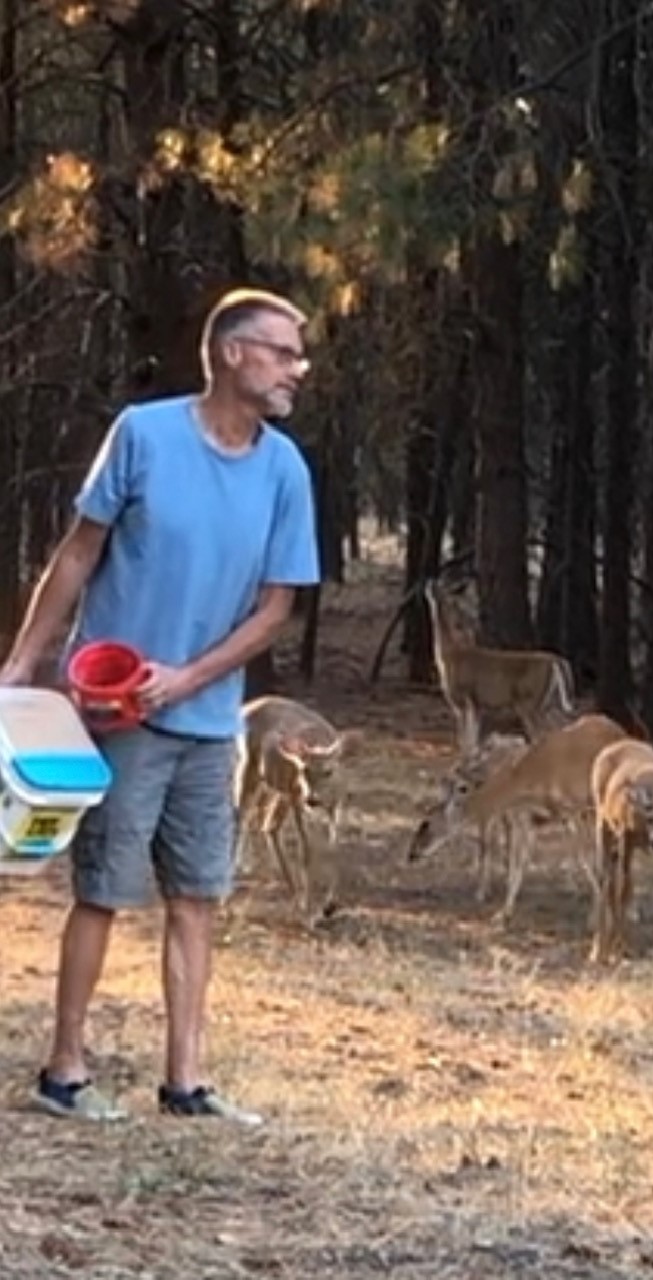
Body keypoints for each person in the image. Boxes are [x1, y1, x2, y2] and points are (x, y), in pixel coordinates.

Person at [0, 286, 321, 1123]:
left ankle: (186, 1083)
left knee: (198, 896)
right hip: (119, 717)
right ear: (231, 353)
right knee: (104, 889)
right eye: (284, 352)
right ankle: (64, 1073)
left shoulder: (286, 469)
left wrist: (190, 676)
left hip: (209, 724)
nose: (298, 368)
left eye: (298, 354)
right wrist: (22, 664)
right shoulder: (144, 435)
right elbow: (76, 556)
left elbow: (277, 608)